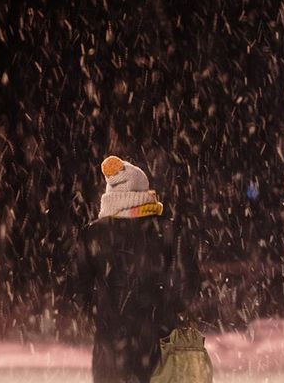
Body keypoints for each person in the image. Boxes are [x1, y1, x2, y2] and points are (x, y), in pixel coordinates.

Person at [77, 155, 200, 383]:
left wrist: (102, 314)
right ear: (144, 192)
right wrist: (166, 311)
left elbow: (78, 290)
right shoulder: (168, 229)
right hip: (158, 343)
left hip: (110, 346)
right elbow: (189, 282)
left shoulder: (92, 234)